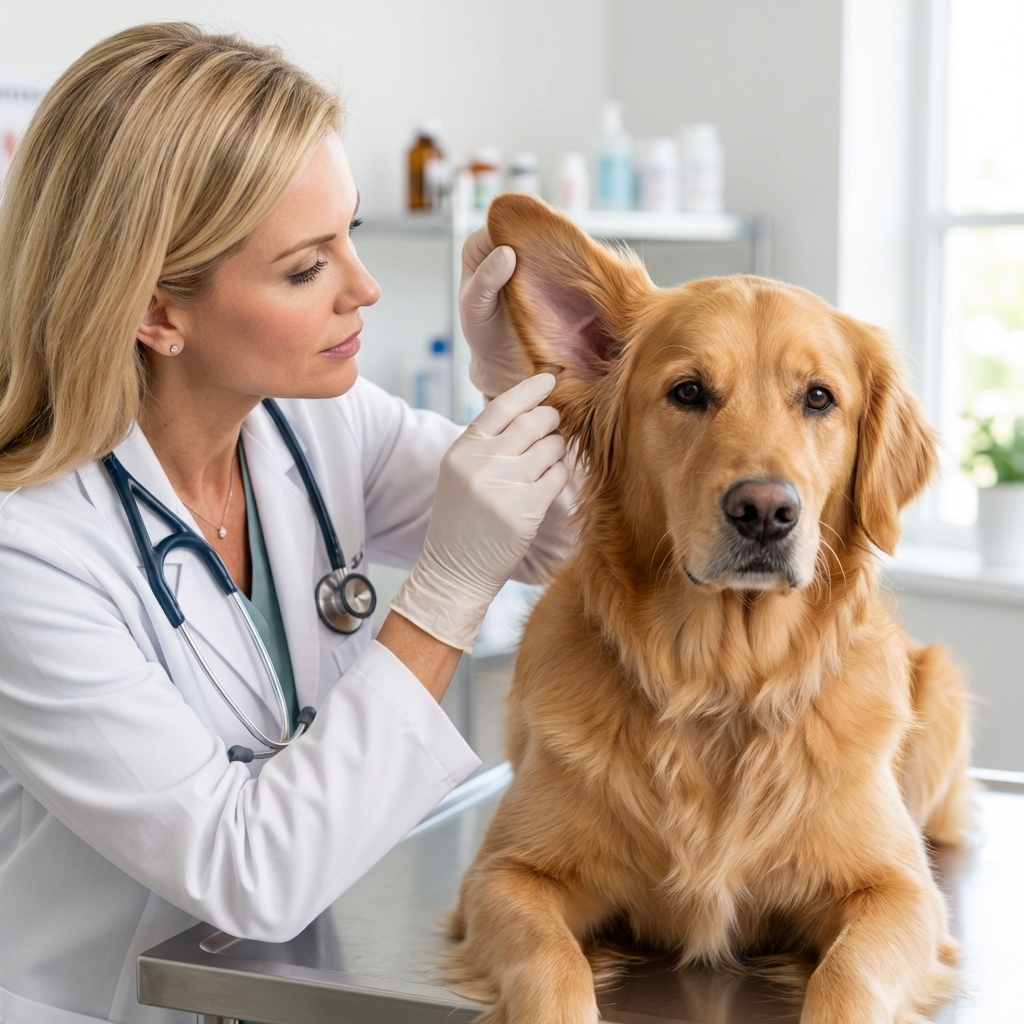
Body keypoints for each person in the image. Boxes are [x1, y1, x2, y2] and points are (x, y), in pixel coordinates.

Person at [0, 23, 566, 1024]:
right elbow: (248, 867)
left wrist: (528, 388)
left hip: (279, 993)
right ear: (156, 312)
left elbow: (564, 537)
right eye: (307, 268)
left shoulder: (316, 421)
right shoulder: (29, 550)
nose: (365, 286)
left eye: (348, 232)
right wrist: (439, 602)